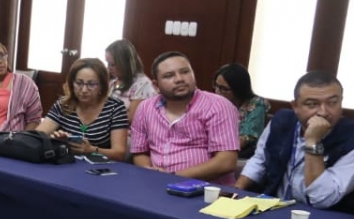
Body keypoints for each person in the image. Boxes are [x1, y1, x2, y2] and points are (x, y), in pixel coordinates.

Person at [236, 71, 354, 210]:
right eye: (312, 104)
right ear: (295, 106)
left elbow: (321, 198)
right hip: (274, 207)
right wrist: (237, 189)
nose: (323, 112)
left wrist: (313, 142)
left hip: (326, 218)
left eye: (333, 103)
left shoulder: (350, 137)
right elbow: (260, 160)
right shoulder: (281, 121)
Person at [131, 51, 240, 184]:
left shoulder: (218, 105)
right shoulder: (145, 108)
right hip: (156, 185)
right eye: (169, 75)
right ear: (156, 85)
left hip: (205, 190)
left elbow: (226, 161)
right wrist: (150, 172)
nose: (179, 79)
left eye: (185, 72)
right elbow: (140, 152)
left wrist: (172, 178)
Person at [34, 58, 129, 161]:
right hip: (66, 163)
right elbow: (36, 137)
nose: (84, 90)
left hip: (100, 166)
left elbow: (119, 154)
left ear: (102, 86)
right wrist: (54, 141)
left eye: (91, 84)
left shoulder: (115, 108)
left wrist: (91, 150)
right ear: (72, 83)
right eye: (79, 83)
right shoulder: (64, 104)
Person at [213, 63, 268, 158]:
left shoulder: (257, 104)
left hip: (242, 154)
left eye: (223, 89)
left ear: (238, 88)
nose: (217, 91)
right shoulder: (216, 102)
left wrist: (219, 153)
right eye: (216, 86)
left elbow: (246, 138)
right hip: (217, 150)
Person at [105, 39, 155, 124]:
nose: (108, 68)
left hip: (127, 130)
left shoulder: (142, 83)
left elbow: (131, 118)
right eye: (107, 63)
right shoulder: (113, 82)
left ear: (125, 63)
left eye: (112, 64)